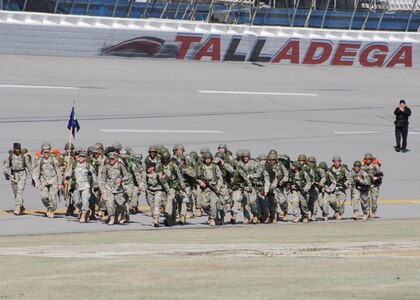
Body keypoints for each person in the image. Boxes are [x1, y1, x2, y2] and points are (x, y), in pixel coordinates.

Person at [32, 143, 64, 218]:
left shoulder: (54, 159)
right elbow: (36, 170)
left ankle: (52, 210)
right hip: (44, 181)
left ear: (50, 151)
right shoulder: (40, 159)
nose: (46, 153)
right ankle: (49, 207)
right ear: (42, 152)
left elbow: (58, 171)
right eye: (44, 152)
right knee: (44, 197)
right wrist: (36, 181)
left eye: (47, 152)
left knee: (53, 197)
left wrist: (59, 183)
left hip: (53, 180)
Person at [3, 143, 32, 215]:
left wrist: (34, 178)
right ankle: (21, 206)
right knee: (16, 192)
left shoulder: (24, 157)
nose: (17, 150)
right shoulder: (10, 156)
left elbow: (29, 167)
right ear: (13, 149)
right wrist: (6, 173)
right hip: (13, 175)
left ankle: (17, 208)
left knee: (19, 191)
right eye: (16, 148)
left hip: (22, 175)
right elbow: (6, 166)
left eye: (18, 148)